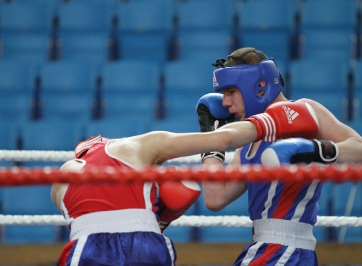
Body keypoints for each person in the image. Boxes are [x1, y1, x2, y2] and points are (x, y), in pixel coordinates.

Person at [51, 95, 320, 266]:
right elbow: (222, 139)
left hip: (89, 246)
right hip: (147, 245)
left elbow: (98, 216)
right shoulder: (138, 145)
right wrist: (271, 122)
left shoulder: (62, 177)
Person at [198, 47, 362, 265]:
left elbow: (359, 147)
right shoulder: (248, 140)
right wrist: (211, 138)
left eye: (230, 92)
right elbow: (215, 198)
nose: (225, 103)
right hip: (267, 248)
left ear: (259, 86)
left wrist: (317, 149)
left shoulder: (305, 110)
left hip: (286, 250)